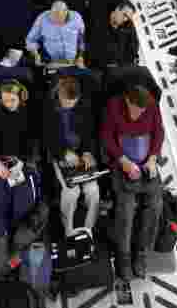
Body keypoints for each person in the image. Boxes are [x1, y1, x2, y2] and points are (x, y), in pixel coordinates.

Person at [101, 85, 165, 280]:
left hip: (146, 163)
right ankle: (124, 255)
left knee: (155, 205)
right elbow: (106, 137)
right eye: (136, 110)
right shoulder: (113, 107)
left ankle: (142, 251)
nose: (138, 114)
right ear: (128, 101)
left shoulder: (151, 106)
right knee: (126, 209)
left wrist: (153, 158)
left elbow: (158, 133)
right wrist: (123, 161)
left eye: (142, 111)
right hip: (123, 163)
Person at [0, 81, 41, 252]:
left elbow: (34, 142)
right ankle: (2, 233)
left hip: (23, 162)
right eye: (5, 100)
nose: (8, 104)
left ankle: (10, 231)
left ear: (20, 98)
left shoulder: (30, 114)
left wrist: (22, 162)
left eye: (12, 100)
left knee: (23, 197)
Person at [45, 76, 101, 239]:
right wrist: (63, 153)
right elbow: (46, 138)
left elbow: (90, 133)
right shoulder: (48, 107)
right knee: (71, 191)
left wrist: (87, 152)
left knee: (93, 190)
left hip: (81, 154)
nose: (70, 106)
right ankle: (68, 230)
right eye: (66, 102)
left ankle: (88, 229)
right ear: (59, 94)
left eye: (73, 103)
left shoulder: (84, 105)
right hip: (60, 154)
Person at [25, 0, 87, 70]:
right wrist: (36, 55)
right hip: (52, 63)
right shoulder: (42, 18)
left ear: (66, 12)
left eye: (59, 19)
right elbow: (30, 40)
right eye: (53, 18)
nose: (56, 23)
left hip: (73, 63)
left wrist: (81, 56)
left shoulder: (76, 17)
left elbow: (82, 39)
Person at [105, 2, 140, 68]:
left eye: (128, 18)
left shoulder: (126, 30)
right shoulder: (99, 20)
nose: (125, 20)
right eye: (124, 15)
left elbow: (134, 49)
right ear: (117, 9)